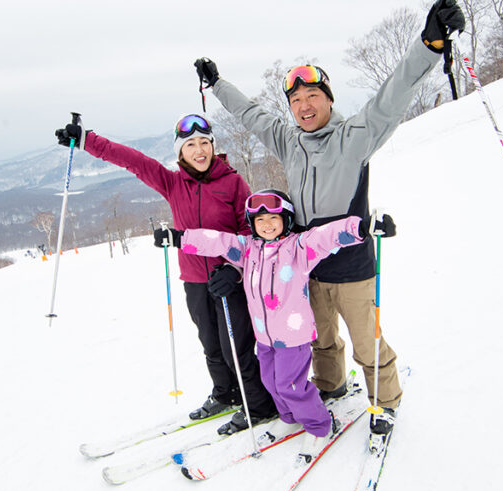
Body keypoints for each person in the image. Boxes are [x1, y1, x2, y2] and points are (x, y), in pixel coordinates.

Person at [194, 0, 465, 437]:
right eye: (296, 99)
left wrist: (430, 44)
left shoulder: (355, 137)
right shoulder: (288, 141)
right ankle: (332, 386)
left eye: (313, 95)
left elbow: (392, 97)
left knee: (366, 343)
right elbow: (250, 114)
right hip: (305, 267)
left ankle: (387, 402)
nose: (304, 105)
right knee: (318, 339)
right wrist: (218, 84)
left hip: (353, 265)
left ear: (328, 99)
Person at [54, 114, 279, 434]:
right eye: (190, 144)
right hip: (194, 280)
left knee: (236, 347)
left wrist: (234, 268)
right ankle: (226, 393)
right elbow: (134, 161)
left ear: (213, 146)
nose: (199, 150)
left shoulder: (233, 183)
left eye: (204, 143)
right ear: (180, 151)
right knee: (211, 345)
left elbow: (251, 232)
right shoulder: (173, 183)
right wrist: (89, 140)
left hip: (229, 279)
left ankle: (258, 405)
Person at [159, 189, 392, 458]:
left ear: (287, 220)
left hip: (293, 337)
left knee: (290, 385)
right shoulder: (247, 249)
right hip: (265, 337)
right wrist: (177, 238)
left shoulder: (300, 248)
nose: (266, 225)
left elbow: (327, 235)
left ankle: (319, 426)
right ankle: (289, 416)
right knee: (270, 382)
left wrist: (363, 226)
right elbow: (218, 242)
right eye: (259, 221)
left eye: (273, 218)